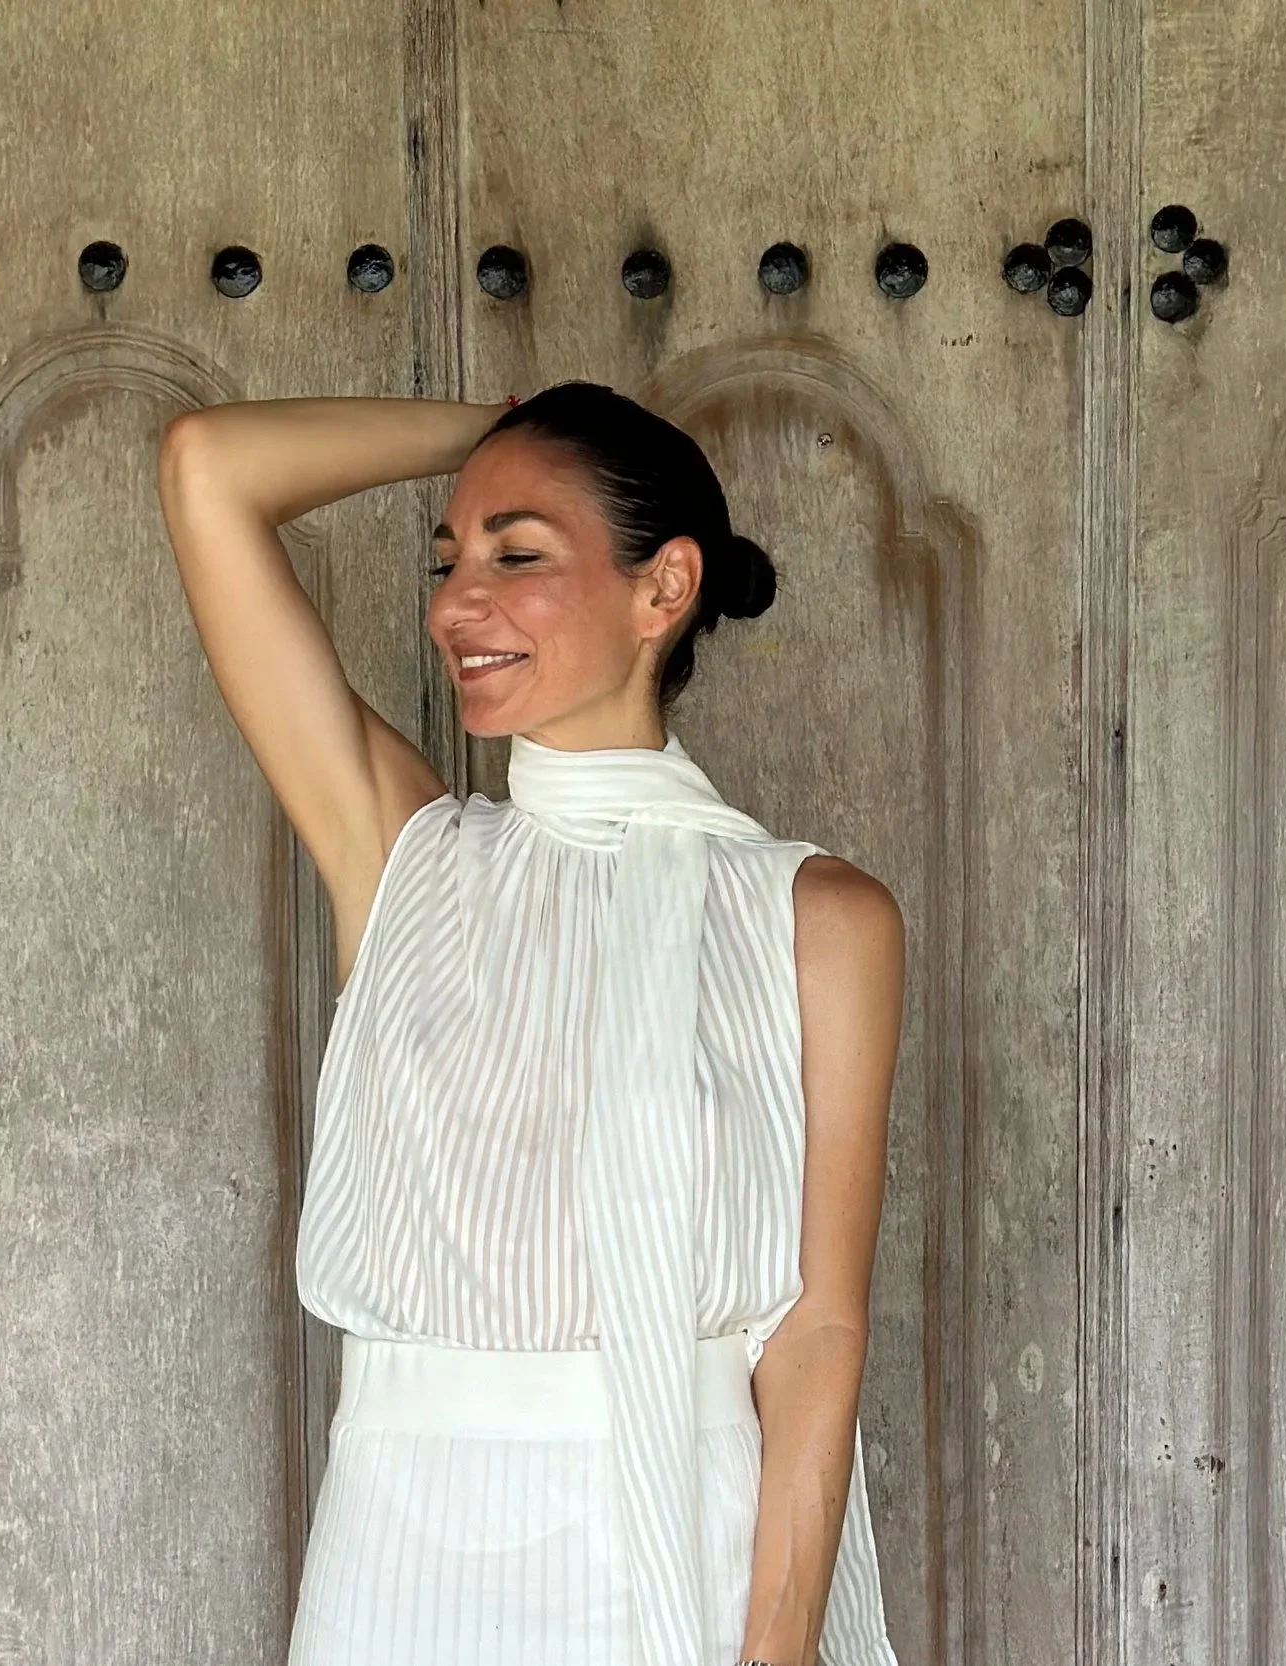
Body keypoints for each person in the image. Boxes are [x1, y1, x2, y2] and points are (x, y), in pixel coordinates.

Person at [155, 381, 906, 1666]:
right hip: (398, 1542)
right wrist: (497, 426)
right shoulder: (404, 853)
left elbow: (816, 1328)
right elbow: (206, 468)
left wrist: (773, 1654)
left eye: (518, 554)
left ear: (663, 590)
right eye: (446, 560)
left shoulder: (820, 919)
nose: (456, 604)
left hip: (675, 1547)